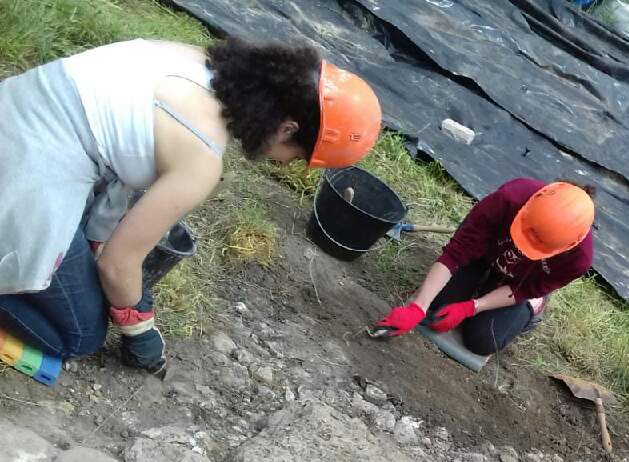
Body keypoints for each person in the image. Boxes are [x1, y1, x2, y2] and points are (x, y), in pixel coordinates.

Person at [0, 37, 381, 374]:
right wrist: (138, 326)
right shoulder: (201, 155)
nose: (284, 164)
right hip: (23, 171)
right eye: (295, 156)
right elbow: (117, 265)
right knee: (80, 335)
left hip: (16, 112)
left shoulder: (190, 60)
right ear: (287, 130)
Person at [369, 178, 595, 354]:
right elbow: (456, 252)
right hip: (485, 256)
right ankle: (480, 279)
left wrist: (472, 307)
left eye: (538, 245)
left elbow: (525, 289)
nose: (525, 246)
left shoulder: (578, 259)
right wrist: (418, 306)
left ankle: (534, 306)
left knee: (482, 340)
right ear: (529, 207)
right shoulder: (509, 198)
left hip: (519, 283)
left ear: (569, 244)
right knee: (434, 309)